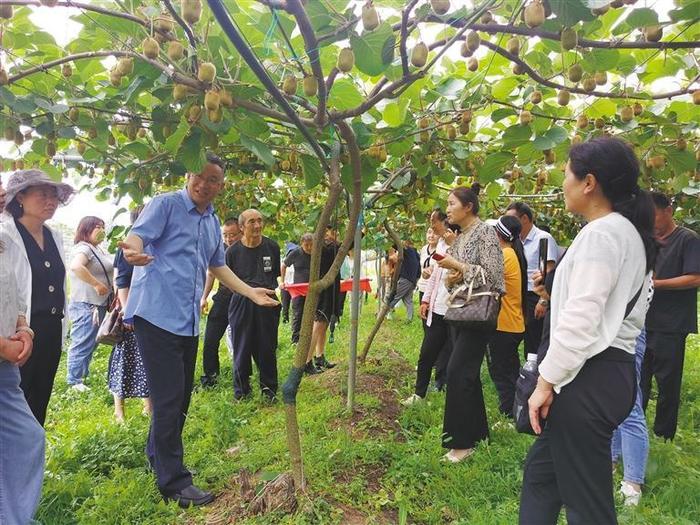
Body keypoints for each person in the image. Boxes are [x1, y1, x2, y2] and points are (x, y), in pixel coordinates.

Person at [120, 154, 278, 508]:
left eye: (213, 180)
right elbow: (137, 238)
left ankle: (157, 458)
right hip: (156, 315)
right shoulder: (165, 205)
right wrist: (133, 251)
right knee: (169, 397)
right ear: (188, 174)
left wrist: (251, 292)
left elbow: (218, 266)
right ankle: (174, 482)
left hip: (187, 319)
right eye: (199, 176)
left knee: (181, 398)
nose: (204, 184)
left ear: (221, 187)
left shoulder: (211, 222)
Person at [520, 137, 656, 525]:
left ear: (589, 182)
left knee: (588, 507)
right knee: (542, 478)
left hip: (589, 376)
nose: (562, 183)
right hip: (609, 371)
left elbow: (582, 318)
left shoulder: (602, 234)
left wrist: (545, 383)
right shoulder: (626, 233)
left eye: (566, 174)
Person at [434, 184, 505, 463]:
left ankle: (461, 444)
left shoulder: (485, 232)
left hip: (478, 314)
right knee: (468, 375)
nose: (448, 208)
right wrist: (452, 273)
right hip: (462, 310)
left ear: (469, 207)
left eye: (452, 203)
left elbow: (493, 276)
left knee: (457, 372)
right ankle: (480, 434)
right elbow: (463, 276)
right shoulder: (462, 237)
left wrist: (457, 266)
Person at [0, 169, 74, 426]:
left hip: (51, 329)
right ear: (20, 197)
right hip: (19, 331)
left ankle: (30, 460)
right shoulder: (6, 235)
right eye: (42, 194)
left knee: (39, 399)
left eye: (54, 196)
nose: (50, 201)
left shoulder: (54, 236)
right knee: (15, 402)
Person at [0, 181, 45, 525]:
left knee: (27, 438)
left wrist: (23, 328)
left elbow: (11, 287)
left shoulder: (3, 240)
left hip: (5, 362)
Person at [641, 192, 700, 441]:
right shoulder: (648, 241)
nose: (650, 220)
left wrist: (657, 284)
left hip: (671, 324)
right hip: (643, 322)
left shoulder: (687, 239)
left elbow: (695, 277)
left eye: (653, 214)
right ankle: (635, 429)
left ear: (668, 211)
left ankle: (664, 434)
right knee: (638, 380)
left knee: (667, 383)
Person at [226, 209, 281, 401]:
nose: (257, 226)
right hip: (242, 303)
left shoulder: (272, 247)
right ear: (242, 227)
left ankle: (270, 391)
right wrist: (246, 294)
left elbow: (274, 275)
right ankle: (242, 392)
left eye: (259, 221)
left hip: (267, 301)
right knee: (241, 348)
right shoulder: (232, 252)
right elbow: (228, 282)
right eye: (251, 222)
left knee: (267, 347)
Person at [405, 209, 454, 405]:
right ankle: (419, 394)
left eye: (434, 221)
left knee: (450, 353)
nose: (431, 225)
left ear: (445, 222)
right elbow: (435, 275)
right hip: (437, 307)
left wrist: (454, 247)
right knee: (427, 353)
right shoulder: (440, 244)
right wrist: (425, 300)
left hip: (455, 310)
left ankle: (444, 386)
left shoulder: (458, 242)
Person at [108, 207, 151, 422]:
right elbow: (122, 281)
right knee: (125, 360)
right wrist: (128, 312)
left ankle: (148, 406)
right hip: (132, 313)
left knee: (146, 360)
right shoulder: (128, 246)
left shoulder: (151, 243)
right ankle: (119, 410)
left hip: (149, 311)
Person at [505, 202, 559, 359]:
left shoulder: (543, 238)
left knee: (533, 340)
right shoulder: (515, 241)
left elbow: (549, 272)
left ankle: (534, 376)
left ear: (525, 218)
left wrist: (543, 301)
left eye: (512, 219)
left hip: (534, 296)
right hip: (518, 295)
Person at [65, 216, 113, 391]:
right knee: (83, 340)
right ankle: (74, 380)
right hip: (86, 304)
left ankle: (81, 376)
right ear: (86, 229)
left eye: (102, 227)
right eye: (96, 227)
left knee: (91, 341)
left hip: (98, 304)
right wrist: (96, 284)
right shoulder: (84, 249)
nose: (101, 230)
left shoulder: (98, 249)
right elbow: (76, 267)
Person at [486, 215, 527, 418]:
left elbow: (484, 280)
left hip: (504, 325)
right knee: (508, 370)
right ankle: (515, 409)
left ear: (497, 234)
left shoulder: (505, 255)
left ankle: (509, 413)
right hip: (510, 324)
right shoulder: (511, 253)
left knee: (502, 372)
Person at [199, 216, 242, 388]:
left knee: (241, 341)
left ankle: (241, 378)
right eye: (225, 235)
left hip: (241, 300)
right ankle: (210, 378)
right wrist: (203, 297)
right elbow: (211, 273)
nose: (229, 239)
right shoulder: (219, 250)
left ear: (240, 231)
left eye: (232, 235)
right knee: (210, 340)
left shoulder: (245, 249)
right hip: (223, 299)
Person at [304, 226, 341, 374]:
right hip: (324, 291)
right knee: (319, 324)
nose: (333, 234)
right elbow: (348, 244)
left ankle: (319, 357)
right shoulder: (325, 247)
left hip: (330, 290)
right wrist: (361, 229)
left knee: (323, 324)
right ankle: (307, 361)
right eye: (330, 231)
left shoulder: (329, 247)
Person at [281, 233, 313, 344]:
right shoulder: (296, 253)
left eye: (311, 245)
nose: (309, 248)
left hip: (313, 288)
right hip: (298, 289)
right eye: (306, 245)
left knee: (311, 313)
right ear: (301, 244)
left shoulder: (317, 253)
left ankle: (309, 337)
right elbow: (283, 265)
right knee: (298, 313)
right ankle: (295, 339)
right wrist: (282, 281)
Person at [386, 240, 421, 322]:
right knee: (408, 299)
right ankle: (409, 318)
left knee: (395, 296)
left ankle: (386, 313)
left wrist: (390, 237)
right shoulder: (416, 254)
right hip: (412, 280)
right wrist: (415, 280)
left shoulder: (408, 251)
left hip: (405, 279)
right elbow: (419, 270)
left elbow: (397, 245)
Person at [417, 227, 438, 304]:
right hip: (422, 287)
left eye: (435, 233)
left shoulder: (441, 250)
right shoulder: (424, 249)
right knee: (423, 314)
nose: (431, 236)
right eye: (429, 232)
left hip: (434, 290)